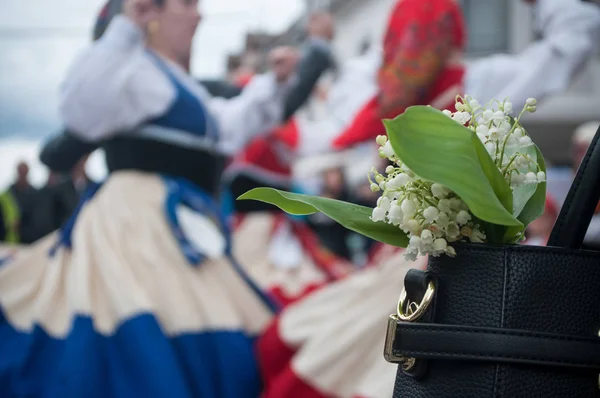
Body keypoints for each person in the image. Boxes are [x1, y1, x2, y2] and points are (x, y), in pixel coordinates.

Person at [255, 1, 600, 397]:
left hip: (459, 269)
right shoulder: (466, 85)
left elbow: (315, 143)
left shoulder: (440, 90)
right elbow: (575, 38)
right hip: (440, 267)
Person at [0, 1, 333, 397]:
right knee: (150, 339)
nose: (199, 15)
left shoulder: (175, 81)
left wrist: (273, 84)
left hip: (178, 228)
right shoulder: (133, 69)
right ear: (151, 12)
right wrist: (125, 28)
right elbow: (80, 110)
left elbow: (229, 129)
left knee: (194, 335)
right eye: (187, 4)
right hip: (137, 229)